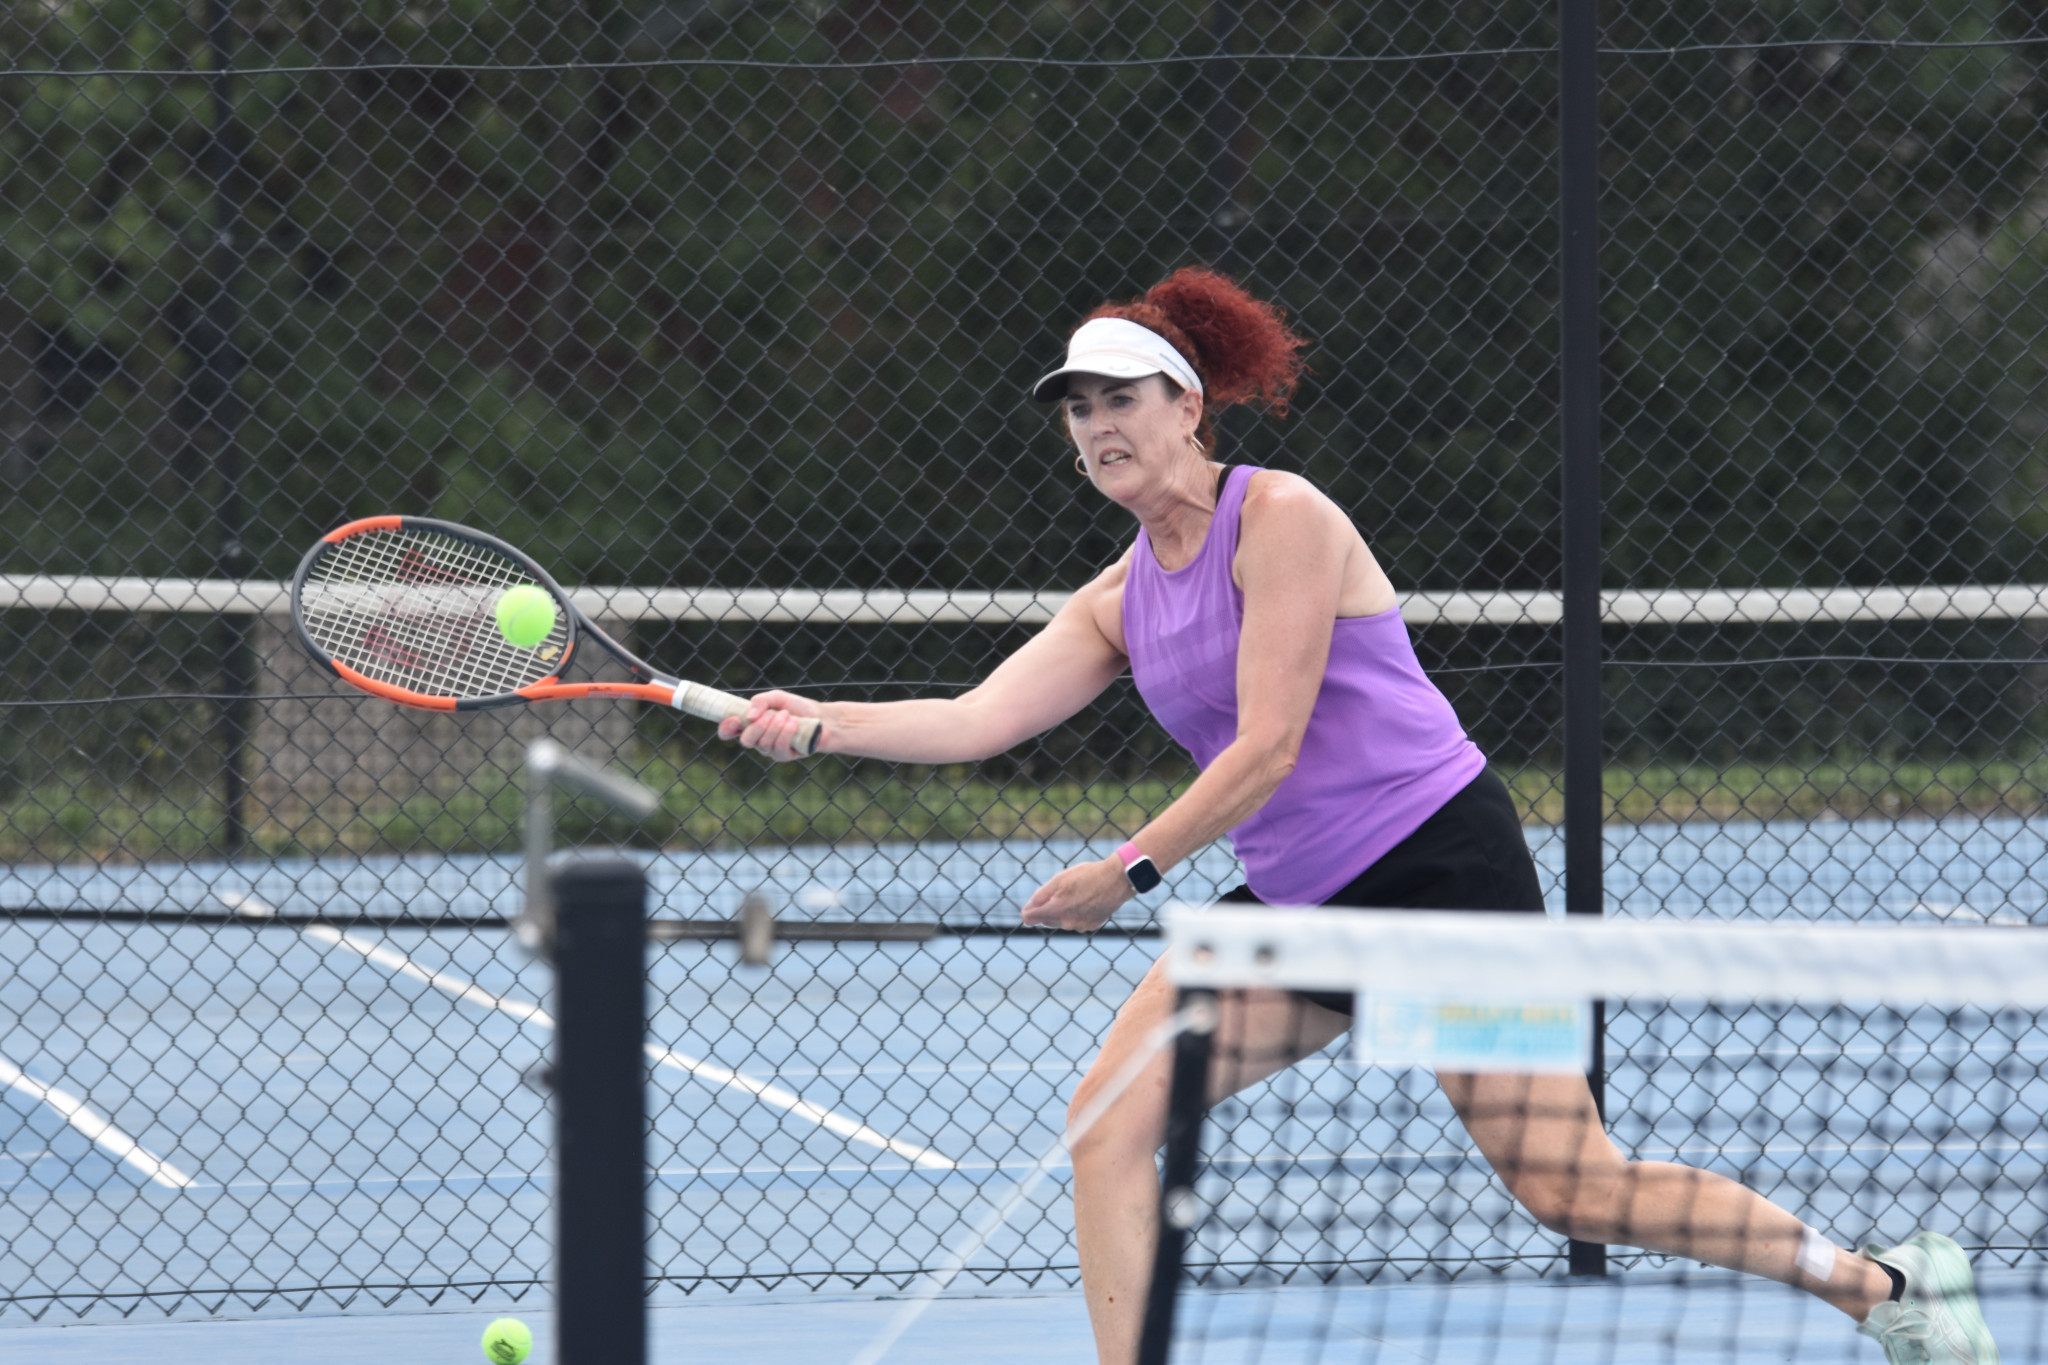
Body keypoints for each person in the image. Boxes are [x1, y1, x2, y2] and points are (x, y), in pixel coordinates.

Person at [721, 268, 1998, 1365]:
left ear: (1186, 406)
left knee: (1569, 1187)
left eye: (1120, 400)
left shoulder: (1279, 519)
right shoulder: (1113, 598)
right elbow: (975, 716)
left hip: (1439, 877)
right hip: (1297, 907)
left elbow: (1269, 744)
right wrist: (816, 718)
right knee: (1105, 1124)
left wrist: (1132, 864)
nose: (1096, 427)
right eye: (1077, 409)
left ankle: (1881, 1290)